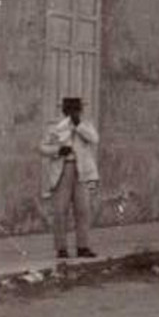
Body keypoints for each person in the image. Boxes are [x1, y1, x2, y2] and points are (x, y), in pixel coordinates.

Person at [38, 96, 100, 259]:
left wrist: (78, 125)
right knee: (60, 210)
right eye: (70, 109)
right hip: (62, 170)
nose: (73, 112)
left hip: (83, 171)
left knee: (83, 209)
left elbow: (95, 139)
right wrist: (58, 151)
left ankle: (83, 246)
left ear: (80, 110)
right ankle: (61, 248)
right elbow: (42, 147)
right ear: (64, 110)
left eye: (76, 109)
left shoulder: (86, 124)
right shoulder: (54, 126)